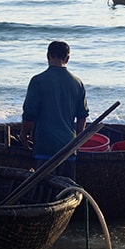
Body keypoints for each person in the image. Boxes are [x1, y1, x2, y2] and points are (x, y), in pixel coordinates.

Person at [20, 41, 89, 181]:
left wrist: (23, 134)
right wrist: (77, 140)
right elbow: (82, 116)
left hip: (45, 145)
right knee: (67, 191)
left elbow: (29, 114)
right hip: (68, 147)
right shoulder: (77, 83)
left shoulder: (38, 81)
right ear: (68, 58)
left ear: (48, 56)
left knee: (44, 191)